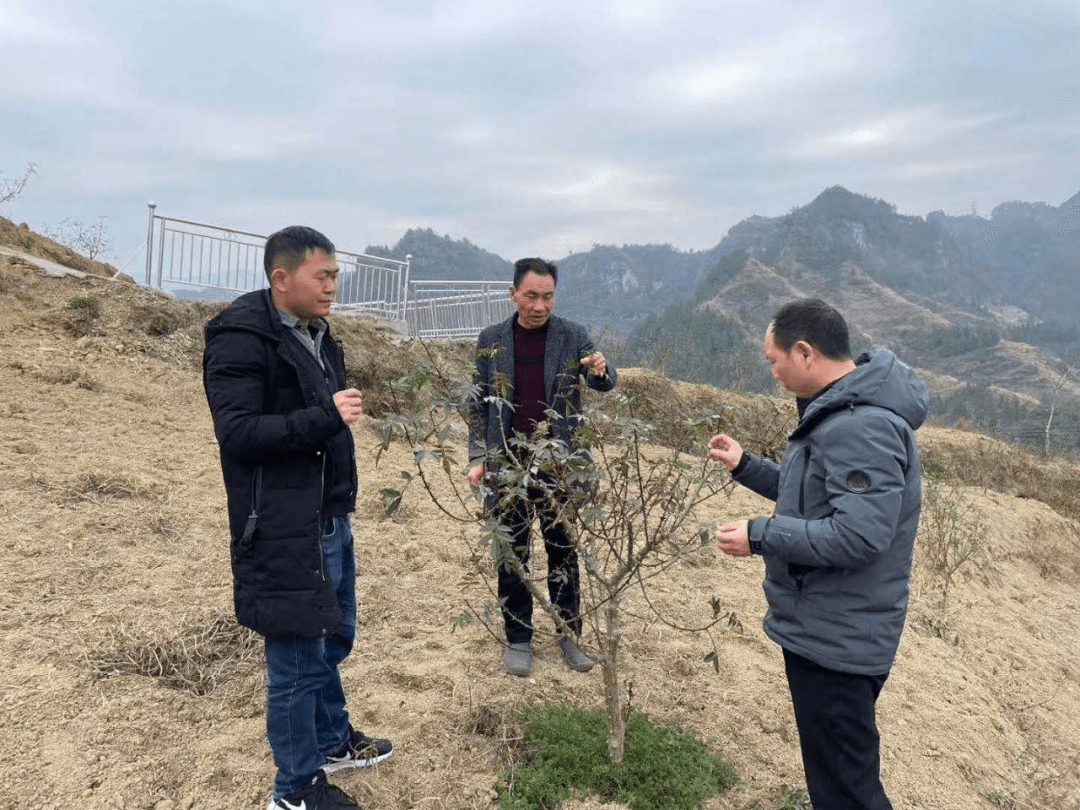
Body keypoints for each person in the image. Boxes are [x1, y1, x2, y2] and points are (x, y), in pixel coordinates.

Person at [708, 298, 927, 810]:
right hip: (830, 625)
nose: (773, 372)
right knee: (836, 779)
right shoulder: (840, 413)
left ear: (804, 352)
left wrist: (760, 534)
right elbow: (814, 495)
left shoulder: (859, 425)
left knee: (847, 791)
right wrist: (745, 465)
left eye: (774, 360)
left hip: (838, 639)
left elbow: (858, 536)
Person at [203, 226, 393, 810]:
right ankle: (294, 789)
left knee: (332, 638)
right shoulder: (241, 338)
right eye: (323, 276)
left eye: (336, 275)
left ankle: (332, 739)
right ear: (281, 278)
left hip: (328, 517)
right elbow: (238, 433)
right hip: (282, 525)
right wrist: (324, 417)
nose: (333, 286)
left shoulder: (317, 333)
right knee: (293, 661)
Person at [466, 257, 617, 677]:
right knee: (511, 554)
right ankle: (518, 637)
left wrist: (600, 370)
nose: (539, 305)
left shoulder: (572, 335)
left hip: (560, 465)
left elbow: (603, 379)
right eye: (531, 296)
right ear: (513, 293)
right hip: (507, 463)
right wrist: (478, 458)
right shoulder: (491, 339)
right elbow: (477, 404)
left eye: (547, 296)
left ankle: (569, 633)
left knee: (563, 551)